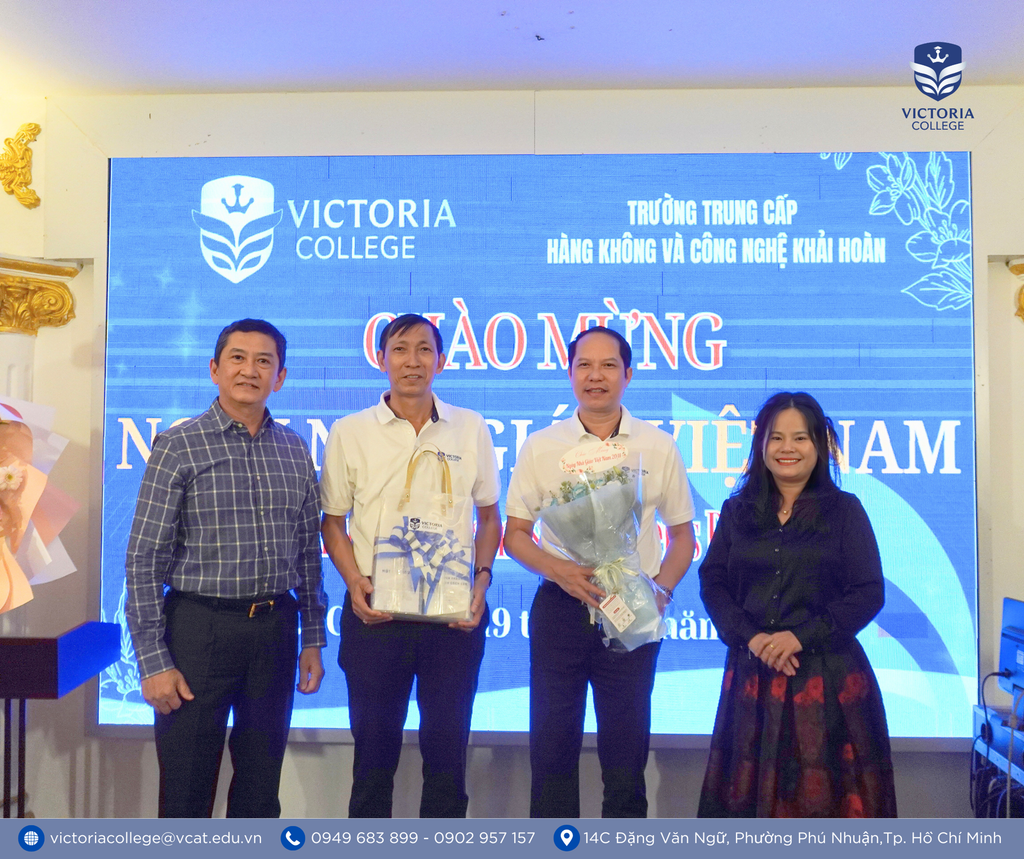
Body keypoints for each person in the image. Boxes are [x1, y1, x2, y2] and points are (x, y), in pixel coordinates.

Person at [125, 318, 327, 818]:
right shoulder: (179, 445)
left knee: (260, 792)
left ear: (280, 376)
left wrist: (312, 637)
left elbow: (308, 551)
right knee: (187, 793)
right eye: (237, 358)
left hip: (274, 631)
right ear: (215, 369)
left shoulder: (295, 449)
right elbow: (144, 557)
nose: (249, 370)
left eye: (264, 361)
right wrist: (152, 660)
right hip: (198, 630)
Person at [504, 326, 696, 819]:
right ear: (569, 373)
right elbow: (515, 535)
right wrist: (560, 571)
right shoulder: (541, 446)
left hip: (633, 607)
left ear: (628, 374)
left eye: (608, 365)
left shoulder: (657, 446)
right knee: (552, 752)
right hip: (561, 609)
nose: (596, 376)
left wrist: (659, 592)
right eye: (584, 365)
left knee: (626, 755)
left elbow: (683, 537)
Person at [320, 313, 501, 818]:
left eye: (424, 349)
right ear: (382, 359)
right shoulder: (350, 431)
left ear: (441, 361)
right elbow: (332, 522)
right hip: (376, 615)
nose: (412, 361)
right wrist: (353, 582)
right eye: (400, 349)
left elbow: (490, 518)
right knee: (372, 760)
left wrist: (481, 581)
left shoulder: (470, 427)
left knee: (447, 758)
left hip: (452, 619)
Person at [697, 391, 897, 818]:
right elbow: (712, 582)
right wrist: (753, 637)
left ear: (820, 445)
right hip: (752, 678)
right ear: (761, 445)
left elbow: (868, 591)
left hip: (826, 684)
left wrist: (799, 637)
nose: (787, 448)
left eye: (800, 438)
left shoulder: (845, 511)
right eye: (776, 438)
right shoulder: (737, 511)